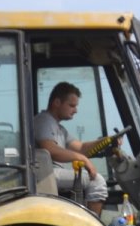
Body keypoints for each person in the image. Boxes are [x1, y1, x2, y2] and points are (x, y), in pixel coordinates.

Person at [32, 82, 111, 214]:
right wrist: (83, 159)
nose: (75, 110)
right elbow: (50, 150)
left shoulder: (60, 129)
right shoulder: (43, 121)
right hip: (44, 174)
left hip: (52, 173)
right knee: (96, 181)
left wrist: (108, 140)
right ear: (57, 102)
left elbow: (81, 147)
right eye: (71, 105)